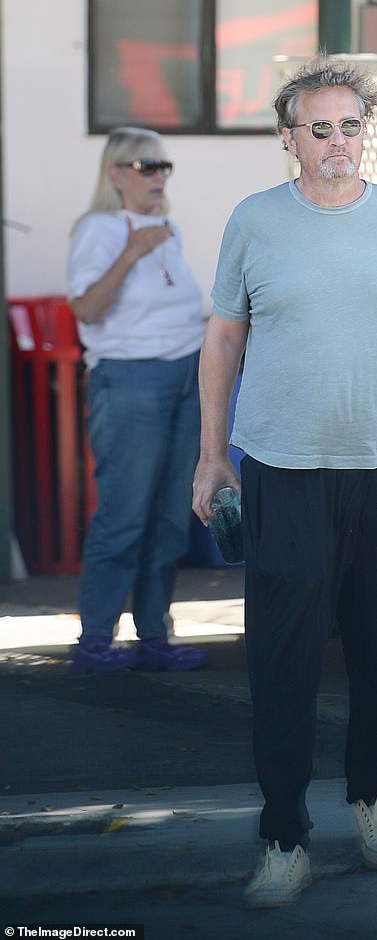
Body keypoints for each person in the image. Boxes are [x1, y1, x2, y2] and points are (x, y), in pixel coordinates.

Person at [192, 55, 377, 908]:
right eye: (318, 129)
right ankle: (284, 835)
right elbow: (221, 342)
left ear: (367, 133)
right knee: (282, 662)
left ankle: (372, 797)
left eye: (349, 126)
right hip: (283, 472)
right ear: (289, 139)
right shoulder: (255, 221)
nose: (336, 143)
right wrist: (213, 454)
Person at [67, 127, 208, 675]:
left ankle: (154, 636)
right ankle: (95, 640)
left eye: (163, 166)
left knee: (171, 516)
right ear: (116, 173)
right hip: (129, 381)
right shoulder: (101, 229)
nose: (158, 176)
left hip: (183, 378)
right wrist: (129, 252)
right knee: (124, 516)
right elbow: (87, 308)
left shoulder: (165, 227)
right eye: (147, 166)